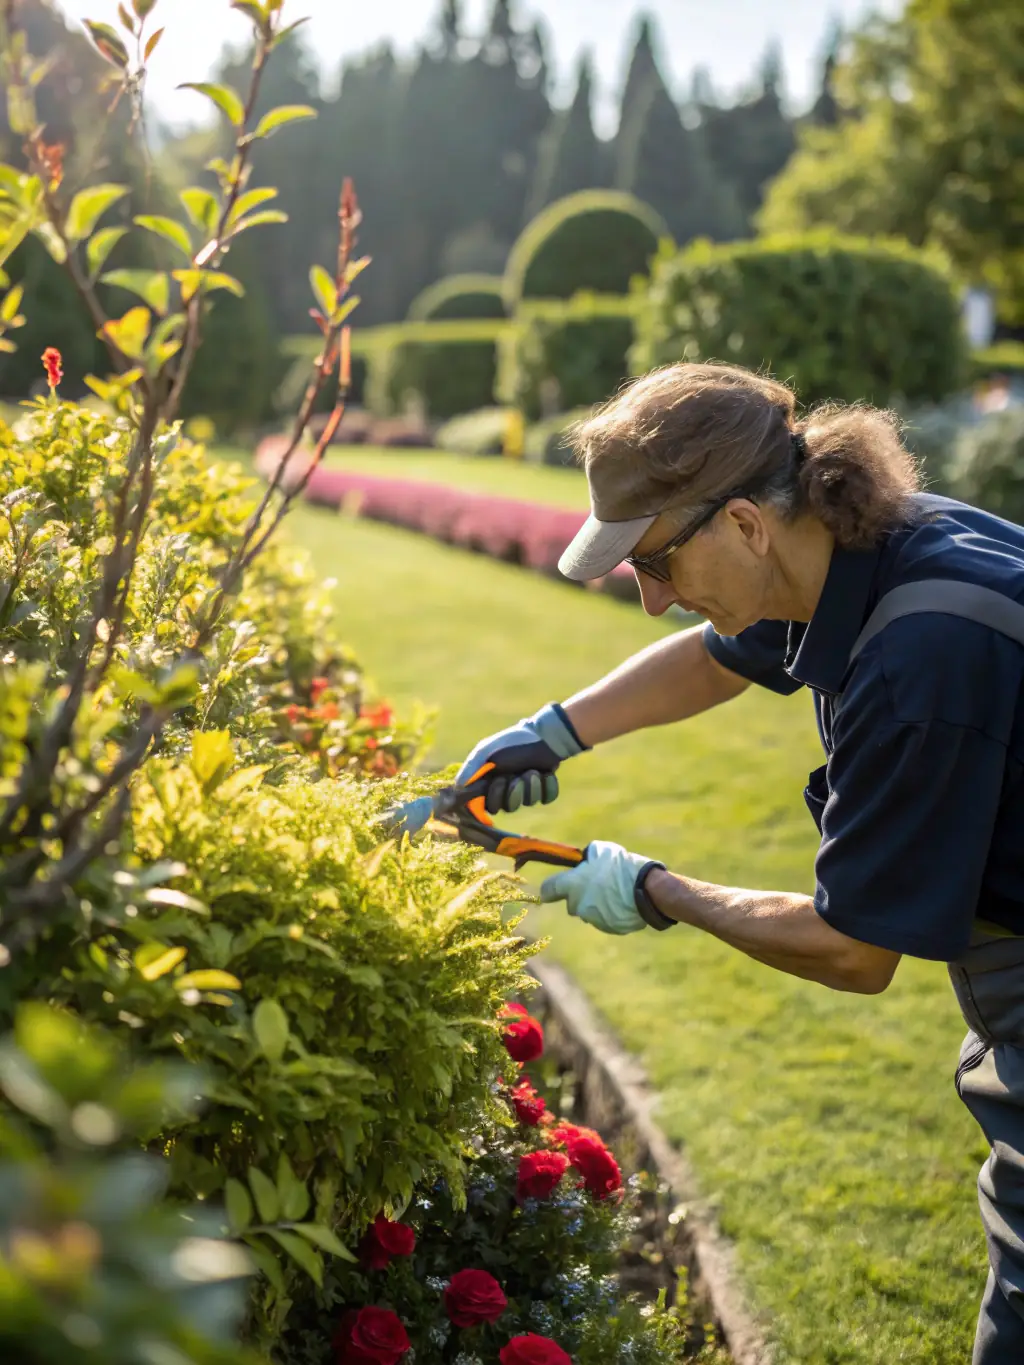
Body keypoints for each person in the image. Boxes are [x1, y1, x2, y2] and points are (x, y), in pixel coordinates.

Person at [455, 363, 1024, 1365]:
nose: (651, 599)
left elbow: (855, 949)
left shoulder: (920, 652)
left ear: (742, 525)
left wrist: (651, 889)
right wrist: (551, 732)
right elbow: (721, 655)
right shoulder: (850, 541)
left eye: (658, 565)